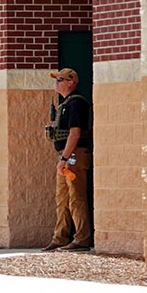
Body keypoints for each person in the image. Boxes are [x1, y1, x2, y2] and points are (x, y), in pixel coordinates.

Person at [42, 68, 93, 252]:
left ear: (71, 82)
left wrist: (64, 158)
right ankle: (60, 237)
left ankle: (81, 239)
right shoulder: (65, 103)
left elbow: (75, 133)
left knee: (76, 197)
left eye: (60, 80)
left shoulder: (76, 103)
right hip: (65, 156)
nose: (56, 83)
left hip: (74, 156)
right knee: (62, 198)